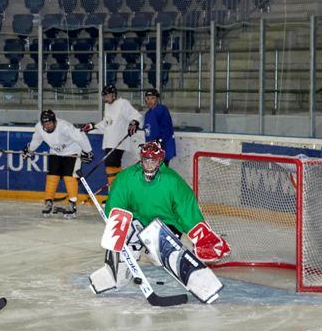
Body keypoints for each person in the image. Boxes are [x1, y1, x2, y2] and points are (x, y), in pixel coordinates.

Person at [89, 141, 230, 293]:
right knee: (126, 236)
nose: (149, 165)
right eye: (146, 160)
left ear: (160, 161)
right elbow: (116, 207)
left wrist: (204, 239)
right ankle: (114, 276)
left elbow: (187, 211)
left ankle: (199, 282)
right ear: (141, 160)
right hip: (138, 221)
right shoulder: (126, 177)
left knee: (159, 247)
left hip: (166, 224)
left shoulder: (173, 181)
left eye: (153, 161)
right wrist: (116, 228)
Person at [23, 109, 94, 218]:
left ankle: (72, 205)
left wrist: (87, 151)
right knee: (52, 176)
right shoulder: (39, 128)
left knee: (69, 177)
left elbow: (80, 136)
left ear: (54, 121)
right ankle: (48, 202)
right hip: (55, 152)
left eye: (50, 123)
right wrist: (30, 149)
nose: (47, 126)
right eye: (45, 124)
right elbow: (36, 140)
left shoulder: (64, 127)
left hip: (72, 151)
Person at [82, 84, 142, 188]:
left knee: (111, 164)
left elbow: (137, 116)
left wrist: (135, 122)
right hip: (109, 142)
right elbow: (107, 123)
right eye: (104, 96)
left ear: (113, 95)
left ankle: (117, 190)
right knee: (111, 165)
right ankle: (117, 190)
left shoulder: (123, 103)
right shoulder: (108, 106)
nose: (105, 99)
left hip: (119, 142)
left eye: (107, 96)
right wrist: (93, 126)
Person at [143, 88, 176, 165]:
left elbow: (166, 129)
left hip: (162, 148)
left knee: (161, 170)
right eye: (148, 98)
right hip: (152, 149)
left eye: (153, 98)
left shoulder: (161, 109)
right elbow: (148, 132)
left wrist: (159, 142)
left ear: (157, 99)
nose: (150, 101)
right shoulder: (147, 114)